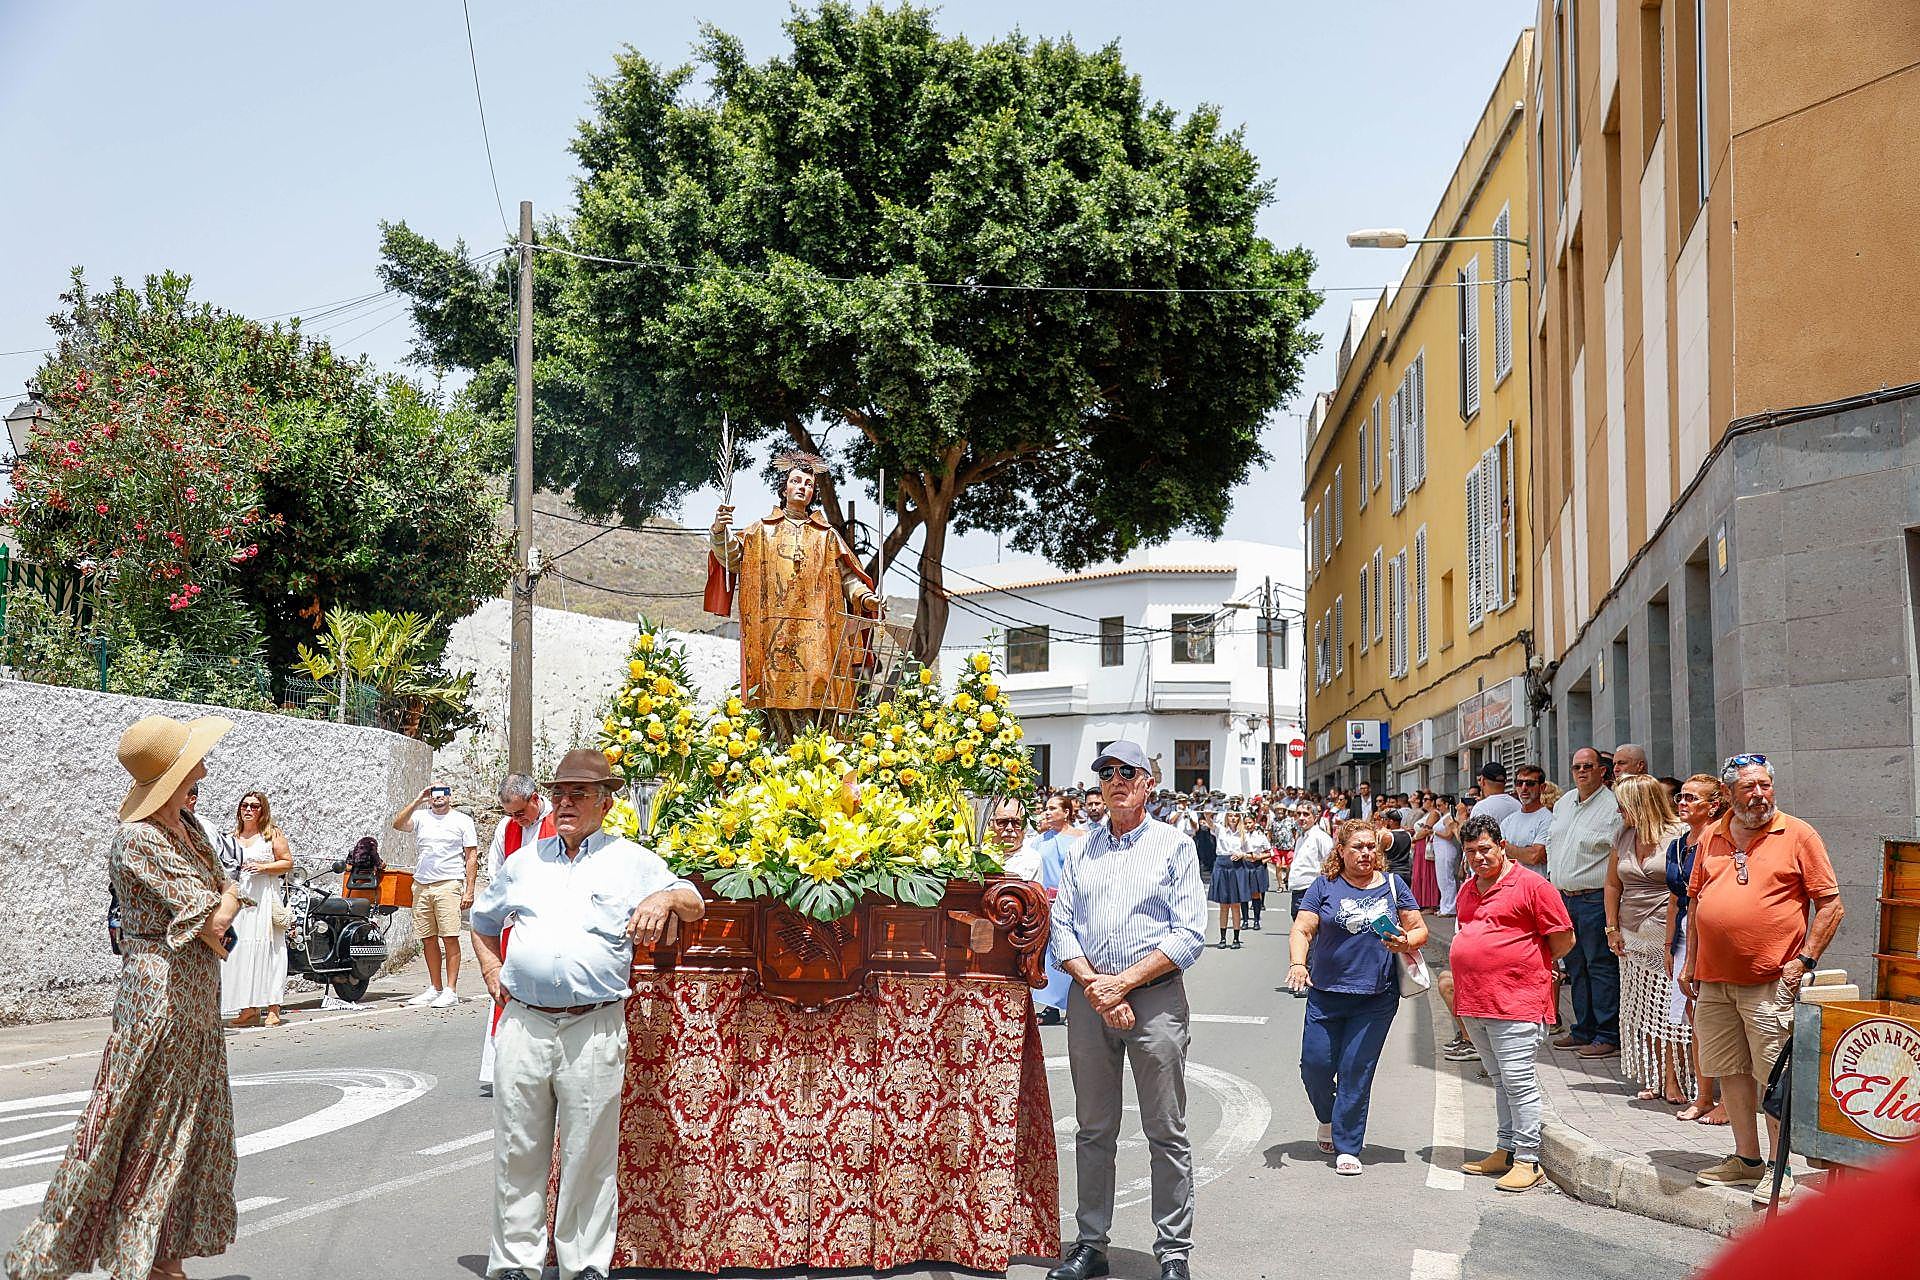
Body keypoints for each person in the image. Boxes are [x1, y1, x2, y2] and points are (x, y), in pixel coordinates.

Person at [6, 715, 244, 1280]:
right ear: (172, 775)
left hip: (195, 997)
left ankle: (164, 1260)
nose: (203, 773)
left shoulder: (188, 829)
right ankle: (70, 1257)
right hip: (159, 996)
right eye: (193, 767)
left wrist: (224, 901)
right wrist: (232, 891)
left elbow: (215, 915)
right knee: (138, 1128)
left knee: (188, 1130)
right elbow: (214, 914)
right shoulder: (137, 839)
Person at [469, 748, 706, 1280]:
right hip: (525, 1021)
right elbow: (482, 922)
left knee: (588, 1152)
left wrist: (664, 898)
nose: (566, 802)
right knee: (517, 1148)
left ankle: (584, 1265)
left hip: (594, 1024)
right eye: (559, 793)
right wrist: (492, 975)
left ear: (606, 802)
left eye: (579, 793)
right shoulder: (523, 862)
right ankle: (515, 1264)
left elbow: (695, 902)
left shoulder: (631, 861)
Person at [1047, 741, 1206, 1280]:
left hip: (1155, 997)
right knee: (1093, 1127)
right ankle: (1091, 1242)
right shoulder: (1080, 849)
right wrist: (1096, 986)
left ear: (1148, 783)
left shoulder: (1174, 846)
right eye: (1106, 773)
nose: (1115, 780)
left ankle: (1174, 1250)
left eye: (1127, 772)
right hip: (1090, 999)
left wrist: (1124, 985)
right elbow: (1061, 926)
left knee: (1166, 1127)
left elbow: (1188, 934)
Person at [1684, 754, 1844, 1204]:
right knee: (1731, 1071)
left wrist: (1805, 960)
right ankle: (1746, 1158)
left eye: (1765, 786)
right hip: (1714, 980)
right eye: (1748, 788)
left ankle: (1781, 1166)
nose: (1759, 795)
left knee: (1774, 1076)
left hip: (1772, 981)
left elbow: (1830, 904)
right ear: (1728, 795)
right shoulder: (1711, 837)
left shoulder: (1798, 834)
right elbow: (1697, 905)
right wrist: (1690, 963)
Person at [706, 451, 882, 741]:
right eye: (796, 481)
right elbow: (733, 557)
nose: (802, 487)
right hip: (775, 635)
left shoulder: (827, 536)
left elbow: (848, 577)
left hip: (819, 637)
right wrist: (719, 530)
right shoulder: (760, 531)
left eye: (809, 484)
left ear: (813, 493)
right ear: (784, 488)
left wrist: (865, 598)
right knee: (777, 708)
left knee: (821, 703)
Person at [1286, 819, 1425, 1174]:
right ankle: (1327, 1117)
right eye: (1357, 847)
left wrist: (1405, 942)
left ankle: (1348, 1146)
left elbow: (1418, 928)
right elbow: (1303, 927)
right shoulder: (1324, 886)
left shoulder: (1393, 886)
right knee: (1314, 1067)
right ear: (1342, 851)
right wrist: (1299, 963)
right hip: (1326, 993)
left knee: (1355, 1070)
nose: (1365, 853)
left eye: (1370, 847)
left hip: (1375, 997)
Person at [1450, 815, 1575, 1192]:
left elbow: (1563, 939)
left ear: (1502, 846)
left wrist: (1526, 965)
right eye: (1471, 851)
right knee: (1500, 1081)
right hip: (1475, 1000)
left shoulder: (1533, 885)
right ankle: (1505, 1151)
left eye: (1485, 849)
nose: (1478, 857)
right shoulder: (1469, 887)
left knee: (1519, 1082)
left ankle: (1528, 1159)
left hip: (1516, 1001)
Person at [1605, 773, 1691, 1105]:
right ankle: (1655, 1074)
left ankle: (1675, 1077)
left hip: (1667, 932)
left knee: (1672, 1009)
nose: (1618, 811)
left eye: (1623, 805)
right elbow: (1612, 885)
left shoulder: (1679, 835)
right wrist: (1611, 928)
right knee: (1644, 1011)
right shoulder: (1623, 834)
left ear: (1641, 804)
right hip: (1631, 933)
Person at [476, 773, 555, 1096]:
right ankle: (505, 1067)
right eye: (510, 814)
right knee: (507, 993)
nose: (516, 820)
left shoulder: (558, 823)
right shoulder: (505, 829)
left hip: (550, 921)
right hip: (514, 922)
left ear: (535, 799)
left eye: (520, 813)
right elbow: (497, 872)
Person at [1546, 747, 1623, 1058]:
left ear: (1602, 770)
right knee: (1576, 966)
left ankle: (1608, 1034)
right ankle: (1583, 1030)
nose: (1581, 772)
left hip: (1594, 898)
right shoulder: (1564, 803)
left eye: (1587, 766)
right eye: (1576, 766)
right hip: (1563, 899)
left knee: (1600, 966)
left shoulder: (1613, 805)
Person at [1668, 774, 1728, 1126]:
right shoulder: (1679, 845)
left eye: (1691, 798)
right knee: (1695, 1020)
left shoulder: (1722, 840)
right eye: (1680, 797)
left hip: (1715, 939)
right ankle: (1704, 1096)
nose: (1682, 803)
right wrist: (1669, 946)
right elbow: (1676, 899)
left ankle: (1728, 1101)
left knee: (1719, 1022)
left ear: (1713, 804)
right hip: (1683, 937)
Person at [392, 782, 479, 1009]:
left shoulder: (462, 820)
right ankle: (435, 987)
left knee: (449, 936)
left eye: (443, 793)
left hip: (448, 883)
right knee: (427, 938)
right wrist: (418, 799)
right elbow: (398, 824)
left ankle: (451, 990)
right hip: (422, 885)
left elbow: (471, 855)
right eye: (434, 793)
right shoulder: (421, 816)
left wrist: (469, 889)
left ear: (450, 796)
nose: (438, 797)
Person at [221, 790, 294, 1028]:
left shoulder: (272, 835)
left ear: (262, 810)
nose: (249, 810)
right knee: (241, 953)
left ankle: (273, 1007)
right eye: (245, 806)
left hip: (264, 900)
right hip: (241, 903)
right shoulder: (232, 838)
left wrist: (263, 867)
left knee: (270, 951)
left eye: (254, 806)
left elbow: (287, 862)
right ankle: (248, 1009)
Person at [1032, 794, 1078, 1025]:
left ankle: (1076, 1007)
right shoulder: (1040, 841)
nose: (1047, 812)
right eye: (1045, 808)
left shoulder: (1081, 838)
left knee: (1073, 952)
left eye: (1052, 808)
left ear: (1066, 812)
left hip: (1073, 903)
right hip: (1046, 903)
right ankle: (1051, 1006)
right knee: (1050, 956)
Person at [1499, 765, 1554, 870]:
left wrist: (1504, 847)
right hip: (1511, 883)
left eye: (1530, 784)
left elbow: (1533, 857)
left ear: (1542, 787)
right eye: (1519, 783)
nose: (1524, 788)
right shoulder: (1508, 820)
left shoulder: (1548, 819)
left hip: (1535, 884)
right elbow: (1496, 853)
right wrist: (1525, 851)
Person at [1203, 809, 1243, 949]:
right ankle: (1223, 938)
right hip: (1221, 863)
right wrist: (1208, 815)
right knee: (1223, 905)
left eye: (1236, 816)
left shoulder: (1242, 833)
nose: (1233, 818)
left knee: (1235, 905)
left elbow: (1250, 851)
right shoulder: (1220, 829)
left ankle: (1236, 939)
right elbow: (1210, 823)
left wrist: (1241, 854)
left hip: (1236, 866)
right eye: (1230, 815)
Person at [1428, 795, 1462, 917]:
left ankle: (1450, 908)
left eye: (1439, 805)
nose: (1438, 808)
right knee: (1442, 880)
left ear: (1446, 804)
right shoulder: (1444, 817)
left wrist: (1434, 832)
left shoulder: (1450, 817)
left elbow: (1448, 835)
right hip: (1441, 851)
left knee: (1447, 879)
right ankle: (1445, 907)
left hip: (1447, 850)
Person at [1244, 814, 1273, 930]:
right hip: (1244, 864)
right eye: (1246, 823)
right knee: (1244, 895)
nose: (1248, 825)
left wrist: (1259, 857)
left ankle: (1256, 920)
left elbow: (1270, 853)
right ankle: (1245, 920)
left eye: (1250, 822)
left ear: (1254, 822)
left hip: (1256, 865)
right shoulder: (1241, 835)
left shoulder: (1260, 836)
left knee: (1256, 893)